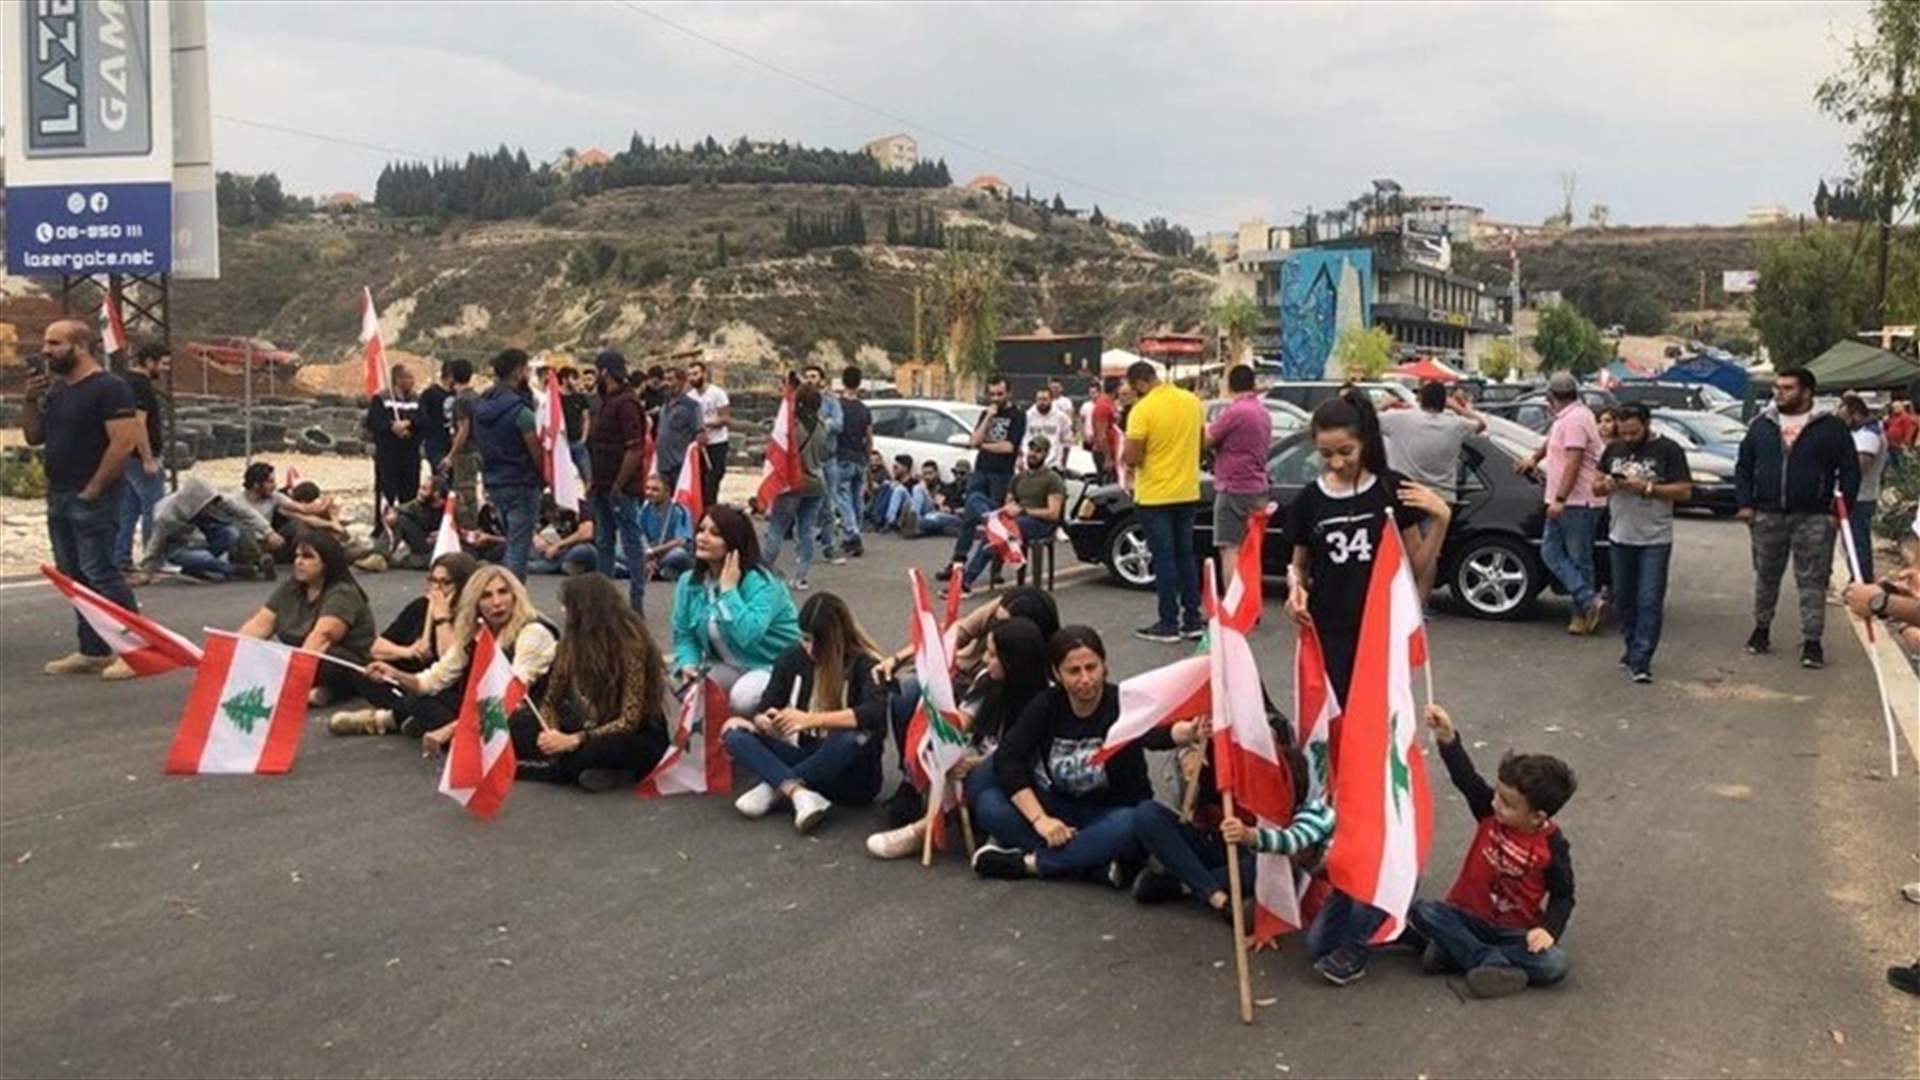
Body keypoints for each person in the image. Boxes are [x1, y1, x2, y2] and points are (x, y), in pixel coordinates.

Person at [970, 626, 1205, 882]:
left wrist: (1188, 731)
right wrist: (1041, 820)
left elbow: (1156, 733)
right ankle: (1093, 865)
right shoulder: (1046, 705)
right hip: (1061, 808)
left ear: (1104, 667)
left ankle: (1031, 863)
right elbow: (1009, 758)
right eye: (1074, 671)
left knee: (1133, 824)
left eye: (1091, 668)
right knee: (989, 804)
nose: (1085, 679)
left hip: (1113, 811)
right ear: (1057, 674)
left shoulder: (1122, 702)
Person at [1286, 389, 1450, 704]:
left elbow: (1416, 566)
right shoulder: (1309, 499)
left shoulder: (1391, 489)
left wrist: (1442, 520)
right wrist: (1296, 593)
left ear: (1364, 442)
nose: (1336, 462)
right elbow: (1299, 565)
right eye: (1325, 454)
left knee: (1377, 723)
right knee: (1335, 721)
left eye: (1346, 451)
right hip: (1328, 630)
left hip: (1382, 628)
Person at [1409, 703, 1576, 999]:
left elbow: (1563, 894)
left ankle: (1456, 953)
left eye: (1509, 804)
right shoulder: (1488, 813)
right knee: (1424, 911)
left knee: (1555, 964)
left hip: (1514, 932)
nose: (1497, 804)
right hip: (1466, 916)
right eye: (1498, 795)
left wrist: (1549, 930)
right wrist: (1447, 737)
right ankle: (1485, 961)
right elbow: (1466, 779)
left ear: (1538, 816)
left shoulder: (1552, 844)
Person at [865, 616, 1052, 858]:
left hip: (1019, 778)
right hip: (985, 768)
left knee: (992, 769)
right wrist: (937, 715)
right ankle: (947, 818)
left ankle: (923, 830)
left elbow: (1019, 756)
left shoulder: (1044, 701)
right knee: (962, 770)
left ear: (1015, 662)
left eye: (994, 655)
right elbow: (962, 722)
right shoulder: (988, 679)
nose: (985, 659)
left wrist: (975, 763)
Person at [22, 319, 143, 680]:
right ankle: (93, 650)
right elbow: (32, 437)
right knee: (75, 576)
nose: (46, 350)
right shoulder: (58, 391)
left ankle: (135, 650)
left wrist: (94, 487)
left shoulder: (110, 388)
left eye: (55, 343)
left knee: (101, 572)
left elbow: (124, 442)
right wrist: (30, 399)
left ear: (80, 346)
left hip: (94, 496)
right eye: (46, 342)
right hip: (58, 495)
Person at [725, 593, 890, 831]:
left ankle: (776, 785)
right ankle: (798, 792)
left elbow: (875, 713)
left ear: (837, 638)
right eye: (805, 639)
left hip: (852, 776)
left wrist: (810, 719)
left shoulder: (865, 663)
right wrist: (766, 721)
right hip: (808, 755)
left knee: (852, 739)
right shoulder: (792, 657)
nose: (809, 648)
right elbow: (768, 704)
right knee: (735, 733)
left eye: (816, 642)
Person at [1734, 367, 1860, 668]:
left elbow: (1850, 471)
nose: (1780, 393)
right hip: (1767, 514)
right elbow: (1743, 466)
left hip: (1814, 517)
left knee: (1813, 581)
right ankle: (1761, 629)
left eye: (1788, 388)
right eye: (1777, 387)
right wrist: (1746, 504)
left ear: (1807, 392)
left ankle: (1812, 642)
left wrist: (1836, 513)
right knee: (1766, 576)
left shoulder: (1830, 428)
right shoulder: (1762, 425)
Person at [1133, 736, 1331, 921]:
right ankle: (1220, 899)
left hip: (1253, 853)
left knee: (1271, 867)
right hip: (1214, 842)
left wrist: (1249, 835)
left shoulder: (1278, 760)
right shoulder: (1213, 754)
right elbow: (1189, 809)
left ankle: (1181, 884)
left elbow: (1288, 842)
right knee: (1146, 814)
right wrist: (1189, 757)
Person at [513, 573, 670, 791]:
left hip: (631, 736)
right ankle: (599, 773)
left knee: (595, 751)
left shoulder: (631, 646)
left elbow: (629, 720)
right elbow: (551, 701)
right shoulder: (570, 644)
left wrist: (575, 740)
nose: (563, 612)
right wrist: (551, 732)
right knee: (519, 726)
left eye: (567, 606)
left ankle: (549, 770)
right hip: (586, 724)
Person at [671, 505, 803, 716]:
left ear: (734, 543)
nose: (702, 538)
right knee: (687, 689)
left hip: (772, 666)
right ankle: (725, 743)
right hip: (729, 664)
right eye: (701, 530)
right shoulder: (689, 582)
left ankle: (768, 729)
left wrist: (729, 591)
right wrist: (689, 662)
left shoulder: (762, 582)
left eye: (714, 534)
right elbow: (684, 633)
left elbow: (747, 634)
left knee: (743, 698)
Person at [1594, 403, 1692, 683]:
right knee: (1624, 598)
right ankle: (1631, 647)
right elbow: (1596, 483)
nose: (1628, 438)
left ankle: (1642, 659)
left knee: (1649, 599)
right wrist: (1606, 486)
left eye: (1634, 432)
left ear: (1647, 424)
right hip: (1619, 535)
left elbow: (1685, 491)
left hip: (1655, 537)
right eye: (1623, 432)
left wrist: (1648, 488)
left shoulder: (1669, 450)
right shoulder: (1613, 450)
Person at [237, 529, 377, 706]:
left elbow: (321, 638)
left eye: (308, 557)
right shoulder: (291, 588)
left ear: (327, 562)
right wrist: (232, 654)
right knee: (260, 651)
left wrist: (289, 680)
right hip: (301, 656)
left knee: (329, 658)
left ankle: (330, 691)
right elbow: (258, 626)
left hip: (335, 661)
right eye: (297, 556)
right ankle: (317, 693)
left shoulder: (343, 593)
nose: (299, 562)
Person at [1122, 360, 1206, 643]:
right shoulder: (1192, 401)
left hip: (1155, 494)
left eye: (1134, 388)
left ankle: (1168, 622)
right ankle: (1192, 619)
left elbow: (1132, 457)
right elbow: (1202, 443)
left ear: (1141, 383)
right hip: (1187, 490)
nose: (1134, 393)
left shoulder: (1142, 410)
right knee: (1186, 555)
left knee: (1164, 557)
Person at [1517, 372, 1607, 635]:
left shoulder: (1575, 420)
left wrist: (1560, 498)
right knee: (1552, 552)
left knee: (1577, 559)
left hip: (1578, 501)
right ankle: (1587, 606)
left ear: (1551, 398)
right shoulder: (1571, 417)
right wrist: (1534, 458)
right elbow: (1553, 443)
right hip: (1571, 500)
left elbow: (1574, 462)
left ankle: (1586, 607)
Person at [956, 435, 1065, 595]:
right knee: (975, 498)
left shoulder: (1052, 479)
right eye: (1031, 450)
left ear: (1046, 454)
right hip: (1014, 518)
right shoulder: (1020, 477)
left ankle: (966, 581)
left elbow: (1053, 514)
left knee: (1001, 529)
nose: (1033, 454)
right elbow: (1008, 501)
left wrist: (1023, 510)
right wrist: (1008, 510)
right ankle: (990, 519)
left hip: (1038, 522)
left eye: (1038, 451)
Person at [585, 350, 649, 612]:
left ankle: (636, 601)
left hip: (620, 488)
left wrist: (618, 485)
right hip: (603, 485)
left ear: (604, 372)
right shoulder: (606, 402)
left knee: (632, 543)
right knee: (604, 541)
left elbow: (634, 448)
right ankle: (604, 601)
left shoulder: (627, 404)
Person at [473, 348, 545, 580]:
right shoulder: (520, 411)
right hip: (521, 480)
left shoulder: (482, 405)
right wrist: (545, 474)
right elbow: (534, 449)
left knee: (511, 541)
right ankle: (514, 598)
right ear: (517, 372)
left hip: (494, 480)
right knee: (518, 547)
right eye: (526, 369)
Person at [946, 375, 1027, 574]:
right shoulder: (986, 413)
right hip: (981, 470)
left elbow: (1008, 447)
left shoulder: (1017, 416)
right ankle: (958, 563)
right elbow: (974, 440)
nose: (996, 398)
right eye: (992, 394)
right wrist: (989, 418)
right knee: (970, 518)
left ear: (1009, 393)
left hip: (1001, 475)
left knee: (996, 521)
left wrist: (983, 445)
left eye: (1000, 394)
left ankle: (995, 567)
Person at [1205, 365, 1275, 592]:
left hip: (1234, 486)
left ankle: (1234, 606)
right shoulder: (1263, 412)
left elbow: (1207, 439)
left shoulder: (1236, 411)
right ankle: (1250, 604)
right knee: (1251, 550)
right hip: (1258, 486)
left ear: (1229, 384)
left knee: (1230, 548)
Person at [139, 474, 283, 582]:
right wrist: (147, 571)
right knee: (203, 557)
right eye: (209, 503)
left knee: (232, 532)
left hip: (201, 535)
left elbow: (245, 513)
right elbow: (155, 543)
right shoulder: (167, 516)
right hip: (178, 546)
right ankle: (239, 570)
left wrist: (268, 531)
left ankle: (203, 566)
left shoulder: (218, 500)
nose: (213, 505)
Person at [762, 385, 831, 591]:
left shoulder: (791, 426)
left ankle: (763, 570)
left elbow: (777, 450)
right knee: (807, 529)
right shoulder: (822, 426)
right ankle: (801, 576)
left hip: (792, 483)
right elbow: (825, 454)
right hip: (817, 484)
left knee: (777, 528)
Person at [1381, 381, 1483, 504]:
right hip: (1442, 497)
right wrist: (1457, 407)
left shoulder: (1399, 419)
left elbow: (1364, 419)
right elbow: (1481, 424)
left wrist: (1384, 404)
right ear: (1444, 402)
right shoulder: (1456, 425)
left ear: (1421, 399)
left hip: (1406, 494)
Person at [116, 342, 170, 573]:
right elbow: (138, 423)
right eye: (164, 363)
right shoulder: (141, 386)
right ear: (149, 361)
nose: (166, 369)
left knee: (129, 509)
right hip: (139, 458)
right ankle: (152, 559)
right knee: (155, 508)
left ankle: (120, 558)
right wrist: (148, 458)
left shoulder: (123, 381)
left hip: (126, 456)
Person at [364, 362, 422, 527]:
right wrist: (391, 426)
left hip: (410, 455)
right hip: (387, 455)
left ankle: (408, 526)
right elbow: (373, 422)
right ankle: (382, 527)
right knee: (385, 492)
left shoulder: (417, 399)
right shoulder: (381, 399)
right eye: (409, 377)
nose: (412, 381)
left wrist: (409, 424)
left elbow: (424, 420)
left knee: (410, 493)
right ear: (398, 379)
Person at [1840, 394, 1888, 583]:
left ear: (1857, 415)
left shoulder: (1869, 436)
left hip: (1861, 498)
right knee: (1851, 542)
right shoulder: (1861, 433)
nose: (1843, 422)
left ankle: (1862, 581)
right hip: (1854, 497)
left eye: (1845, 418)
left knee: (1857, 543)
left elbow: (1861, 466)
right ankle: (1858, 579)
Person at [827, 366, 873, 559]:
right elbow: (869, 437)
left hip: (842, 456)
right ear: (859, 383)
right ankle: (855, 532)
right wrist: (868, 458)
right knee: (856, 498)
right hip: (859, 457)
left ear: (843, 382)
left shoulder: (837, 407)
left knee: (841, 496)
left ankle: (852, 533)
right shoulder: (864, 409)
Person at [438, 358, 482, 528]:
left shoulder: (461, 400)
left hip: (466, 452)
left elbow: (463, 429)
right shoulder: (477, 397)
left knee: (465, 493)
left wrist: (451, 455)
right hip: (479, 449)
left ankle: (468, 528)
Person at [688, 359, 731, 509]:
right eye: (690, 375)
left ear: (704, 374)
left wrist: (706, 424)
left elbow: (726, 418)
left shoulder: (717, 394)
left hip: (717, 443)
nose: (693, 377)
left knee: (712, 481)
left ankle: (711, 511)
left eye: (695, 374)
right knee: (699, 482)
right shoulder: (690, 397)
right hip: (698, 445)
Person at [638, 474, 696, 580]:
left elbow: (681, 541)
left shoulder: (679, 511)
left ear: (667, 492)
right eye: (647, 488)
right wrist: (646, 554)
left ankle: (651, 569)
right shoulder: (645, 510)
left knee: (677, 554)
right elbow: (639, 534)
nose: (649, 493)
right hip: (649, 554)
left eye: (655, 490)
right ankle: (653, 569)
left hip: (669, 553)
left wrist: (653, 551)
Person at [654, 365, 705, 485]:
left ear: (682, 382)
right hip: (662, 464)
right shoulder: (664, 405)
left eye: (671, 379)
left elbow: (699, 433)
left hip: (680, 466)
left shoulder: (692, 407)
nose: (667, 383)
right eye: (665, 379)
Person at [528, 496, 598, 575]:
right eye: (551, 512)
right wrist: (535, 537)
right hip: (555, 552)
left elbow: (586, 534)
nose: (556, 515)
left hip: (573, 549)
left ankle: (547, 566)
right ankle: (565, 566)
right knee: (527, 547)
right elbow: (526, 526)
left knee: (586, 550)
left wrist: (558, 546)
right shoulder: (542, 507)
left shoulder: (579, 507)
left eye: (556, 511)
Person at [556, 365, 593, 485]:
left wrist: (584, 438)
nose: (576, 382)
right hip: (562, 445)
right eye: (573, 378)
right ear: (564, 379)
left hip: (578, 443)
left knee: (587, 477)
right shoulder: (555, 399)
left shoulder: (580, 398)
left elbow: (586, 418)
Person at [1025, 385, 1076, 472]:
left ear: (1051, 400)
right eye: (1039, 399)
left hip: (1053, 466)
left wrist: (1063, 464)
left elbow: (1067, 442)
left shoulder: (1061, 417)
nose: (1042, 402)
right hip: (1031, 465)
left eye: (1045, 399)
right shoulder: (1027, 416)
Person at [417, 361, 455, 475]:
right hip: (436, 442)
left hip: (454, 443)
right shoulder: (430, 394)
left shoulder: (458, 394)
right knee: (440, 475)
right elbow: (422, 416)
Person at [1086, 378, 1122, 481]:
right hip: (1103, 453)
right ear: (1116, 390)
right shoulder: (1103, 405)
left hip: (1113, 450)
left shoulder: (1111, 404)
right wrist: (1108, 458)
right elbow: (1101, 434)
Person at [1883, 398, 1917, 464]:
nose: (1895, 409)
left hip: (1900, 446)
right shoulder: (1893, 417)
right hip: (1892, 445)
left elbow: (1909, 430)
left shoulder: (1906, 417)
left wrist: (1905, 442)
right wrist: (1885, 422)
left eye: (1897, 407)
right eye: (1893, 407)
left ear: (1902, 407)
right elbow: (1887, 427)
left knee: (1901, 464)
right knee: (1892, 464)